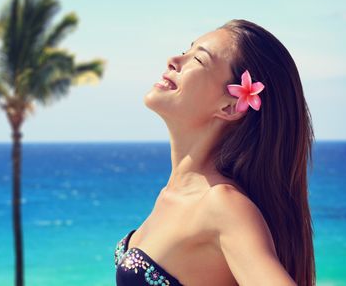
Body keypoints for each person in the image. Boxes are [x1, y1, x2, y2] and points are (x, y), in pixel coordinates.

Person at [114, 19, 315, 286]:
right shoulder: (174, 194)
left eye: (198, 60)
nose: (174, 60)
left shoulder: (223, 205)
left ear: (231, 107)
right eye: (186, 50)